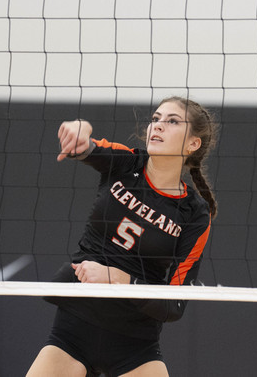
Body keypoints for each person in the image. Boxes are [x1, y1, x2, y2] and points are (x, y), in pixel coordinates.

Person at [27, 97, 218, 377]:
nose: (158, 126)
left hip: (135, 347)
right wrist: (80, 128)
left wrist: (118, 278)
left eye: (172, 121)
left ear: (193, 143)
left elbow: (174, 306)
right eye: (155, 118)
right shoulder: (126, 162)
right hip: (74, 331)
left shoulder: (195, 213)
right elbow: (87, 147)